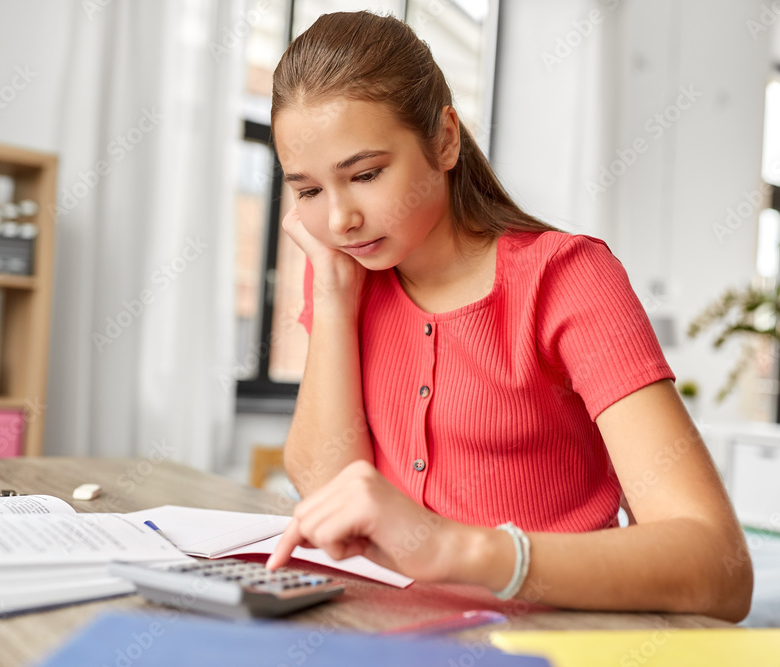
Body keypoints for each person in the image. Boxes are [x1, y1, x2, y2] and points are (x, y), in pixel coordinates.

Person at [264, 11, 753, 622]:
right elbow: (328, 488)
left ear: (445, 139)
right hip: (390, 629)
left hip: (558, 635)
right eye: (308, 191)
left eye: (365, 174)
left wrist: (457, 549)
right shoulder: (344, 270)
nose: (339, 221)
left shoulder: (566, 279)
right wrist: (335, 301)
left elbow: (720, 569)